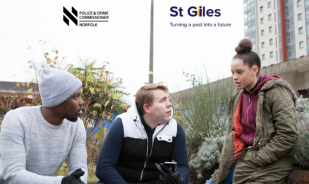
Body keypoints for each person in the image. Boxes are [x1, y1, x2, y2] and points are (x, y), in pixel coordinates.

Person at [206, 39, 298, 184]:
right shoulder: (237, 96)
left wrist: (257, 157)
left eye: (239, 72)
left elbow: (288, 135)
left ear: (255, 70)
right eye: (233, 73)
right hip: (244, 156)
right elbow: (233, 133)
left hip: (273, 159)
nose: (235, 77)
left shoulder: (276, 92)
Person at [0, 67, 88, 184]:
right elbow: (12, 174)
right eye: (75, 96)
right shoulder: (17, 120)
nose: (82, 102)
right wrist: (62, 182)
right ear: (59, 100)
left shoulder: (76, 126)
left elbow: (80, 169)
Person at [95, 84, 189, 184]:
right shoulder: (122, 124)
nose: (169, 104)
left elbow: (182, 166)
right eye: (163, 100)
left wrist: (180, 180)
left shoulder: (175, 128)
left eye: (168, 99)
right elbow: (104, 167)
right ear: (147, 108)